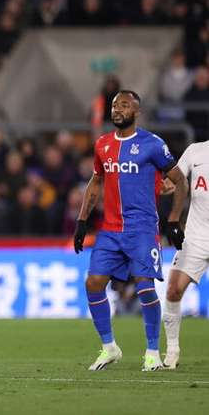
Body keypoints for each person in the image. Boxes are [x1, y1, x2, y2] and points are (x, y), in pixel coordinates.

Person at [73, 90, 187, 372]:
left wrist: (173, 220)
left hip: (142, 230)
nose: (117, 109)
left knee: (146, 287)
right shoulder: (102, 144)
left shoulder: (152, 144)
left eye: (124, 105)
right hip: (110, 231)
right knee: (93, 283)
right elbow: (96, 182)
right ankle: (110, 347)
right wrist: (82, 221)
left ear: (137, 112)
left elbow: (180, 181)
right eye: (114, 105)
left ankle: (152, 352)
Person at [159, 139, 209, 369]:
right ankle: (172, 350)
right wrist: (166, 185)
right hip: (197, 235)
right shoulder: (196, 151)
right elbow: (175, 180)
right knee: (173, 288)